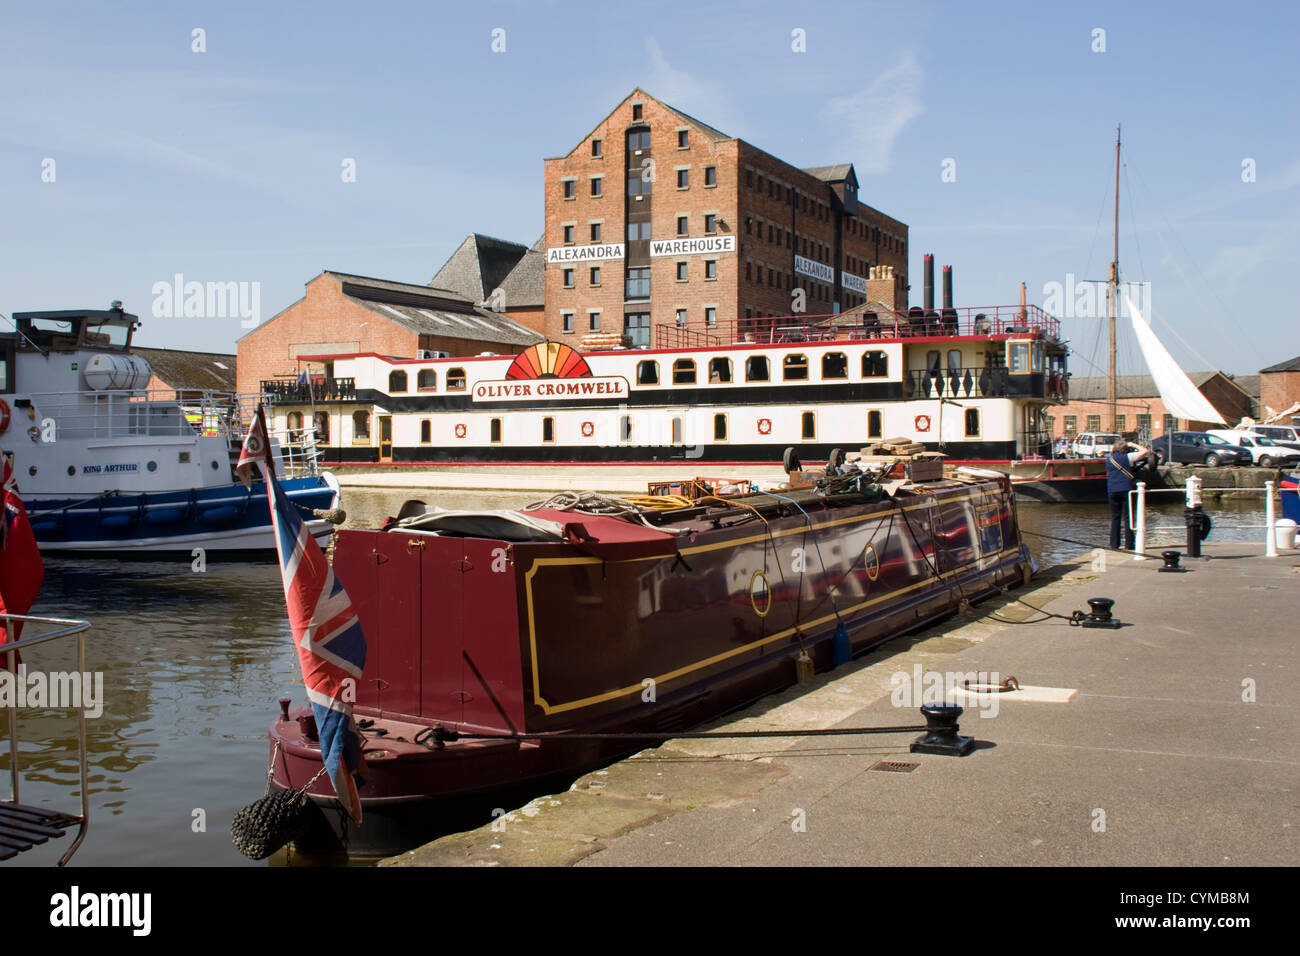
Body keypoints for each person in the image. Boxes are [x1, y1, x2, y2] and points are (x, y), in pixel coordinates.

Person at [1107, 440, 1149, 550]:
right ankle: (1129, 544)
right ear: (1125, 449)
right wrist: (1133, 444)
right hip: (1126, 489)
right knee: (1128, 517)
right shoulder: (1128, 457)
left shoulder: (1108, 459)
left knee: (1115, 517)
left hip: (1112, 490)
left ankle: (1114, 544)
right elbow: (1145, 452)